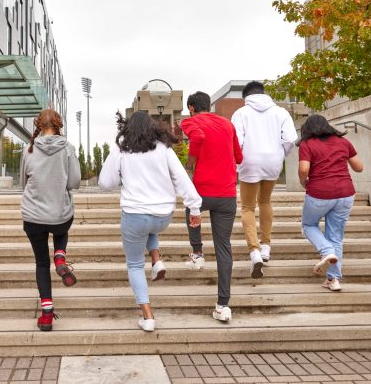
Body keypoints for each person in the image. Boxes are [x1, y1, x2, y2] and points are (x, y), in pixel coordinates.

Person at [99, 111, 202, 332]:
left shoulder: (122, 147)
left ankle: (147, 316)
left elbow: (105, 183)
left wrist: (123, 174)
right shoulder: (163, 148)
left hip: (136, 216)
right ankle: (157, 261)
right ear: (153, 127)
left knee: (135, 264)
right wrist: (194, 207)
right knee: (149, 225)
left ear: (128, 128)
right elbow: (181, 178)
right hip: (162, 217)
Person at [180, 91, 242, 322]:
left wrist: (190, 164)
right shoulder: (227, 124)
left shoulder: (190, 121)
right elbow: (239, 157)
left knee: (190, 209)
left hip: (202, 191)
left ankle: (197, 252)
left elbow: (196, 138)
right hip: (226, 193)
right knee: (224, 247)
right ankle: (223, 305)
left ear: (191, 107)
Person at [20, 109, 81, 331]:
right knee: (61, 224)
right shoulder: (68, 148)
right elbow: (74, 182)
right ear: (58, 125)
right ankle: (60, 256)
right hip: (59, 215)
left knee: (40, 263)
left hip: (33, 215)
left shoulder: (29, 149)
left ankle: (46, 315)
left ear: (37, 124)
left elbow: (22, 183)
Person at [230, 81, 297, 278]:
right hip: (272, 161)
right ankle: (266, 245)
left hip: (249, 161)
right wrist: (279, 154)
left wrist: (238, 161)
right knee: (266, 201)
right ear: (263, 93)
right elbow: (291, 138)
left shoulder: (241, 113)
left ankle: (254, 250)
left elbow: (237, 140)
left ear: (246, 97)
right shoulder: (281, 112)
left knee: (248, 207)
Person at [298, 114, 363, 292]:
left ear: (307, 130)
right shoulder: (343, 142)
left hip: (320, 193)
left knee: (308, 225)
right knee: (336, 237)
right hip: (345, 193)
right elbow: (359, 167)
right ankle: (333, 280)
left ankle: (326, 251)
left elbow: (304, 168)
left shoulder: (307, 144)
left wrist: (303, 181)